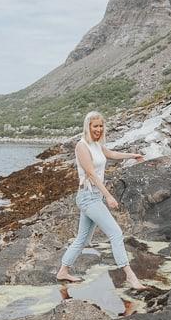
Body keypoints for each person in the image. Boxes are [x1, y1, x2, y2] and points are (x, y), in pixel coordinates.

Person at [56, 110, 148, 290]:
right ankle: (130, 276)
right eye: (95, 126)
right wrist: (108, 195)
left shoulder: (96, 144)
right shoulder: (81, 146)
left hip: (93, 196)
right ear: (88, 126)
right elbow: (90, 173)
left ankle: (63, 272)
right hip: (88, 197)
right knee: (116, 233)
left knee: (82, 239)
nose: (98, 129)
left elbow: (111, 154)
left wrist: (133, 155)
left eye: (100, 126)